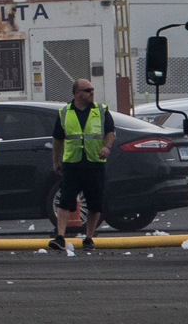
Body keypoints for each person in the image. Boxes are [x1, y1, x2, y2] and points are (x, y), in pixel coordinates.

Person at [47, 78, 115, 251]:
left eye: (92, 90)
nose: (91, 92)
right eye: (87, 90)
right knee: (65, 200)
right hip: (72, 163)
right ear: (77, 93)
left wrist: (107, 147)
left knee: (95, 202)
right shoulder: (64, 112)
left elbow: (110, 132)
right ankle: (60, 236)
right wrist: (56, 161)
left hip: (94, 162)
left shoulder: (101, 111)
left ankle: (89, 237)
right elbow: (58, 139)